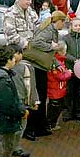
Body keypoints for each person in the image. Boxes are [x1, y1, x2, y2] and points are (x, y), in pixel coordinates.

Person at [25, 10, 67, 139]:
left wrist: (56, 63)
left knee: (42, 98)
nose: (63, 25)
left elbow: (48, 53)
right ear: (58, 21)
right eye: (63, 22)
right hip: (38, 68)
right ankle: (31, 129)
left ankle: (39, 126)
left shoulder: (50, 30)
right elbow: (37, 43)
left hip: (42, 66)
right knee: (38, 97)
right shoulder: (49, 31)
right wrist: (52, 47)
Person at [63, 18, 80, 122]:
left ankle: (78, 112)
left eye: (79, 25)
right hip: (69, 69)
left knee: (78, 92)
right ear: (71, 27)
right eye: (76, 25)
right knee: (69, 91)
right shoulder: (66, 38)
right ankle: (68, 112)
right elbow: (63, 52)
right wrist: (73, 60)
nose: (78, 28)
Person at [46, 41, 71, 131]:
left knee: (56, 107)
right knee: (54, 108)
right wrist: (69, 73)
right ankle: (50, 124)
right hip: (55, 90)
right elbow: (60, 76)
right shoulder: (57, 63)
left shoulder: (59, 60)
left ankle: (52, 123)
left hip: (58, 89)